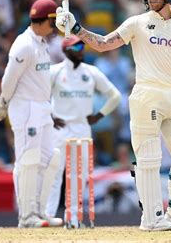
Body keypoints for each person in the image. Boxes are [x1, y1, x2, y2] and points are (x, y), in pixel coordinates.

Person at [55, 0, 171, 231]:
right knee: (148, 158)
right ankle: (151, 219)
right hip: (147, 95)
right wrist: (76, 28)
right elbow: (102, 44)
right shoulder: (137, 23)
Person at [0, 0, 63, 228]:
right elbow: (9, 78)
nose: (55, 27)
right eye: (54, 21)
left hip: (42, 108)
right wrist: (4, 101)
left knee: (50, 159)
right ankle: (26, 216)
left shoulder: (41, 43)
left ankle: (40, 212)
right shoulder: (24, 44)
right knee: (28, 161)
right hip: (25, 108)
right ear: (45, 20)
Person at [44, 36, 121, 224]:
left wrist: (99, 115)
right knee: (54, 174)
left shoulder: (91, 72)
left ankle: (73, 218)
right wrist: (49, 117)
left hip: (82, 128)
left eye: (82, 46)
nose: (81, 50)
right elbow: (38, 95)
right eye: (76, 46)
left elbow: (115, 96)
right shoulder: (55, 71)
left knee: (79, 175)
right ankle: (46, 216)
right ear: (66, 50)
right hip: (59, 130)